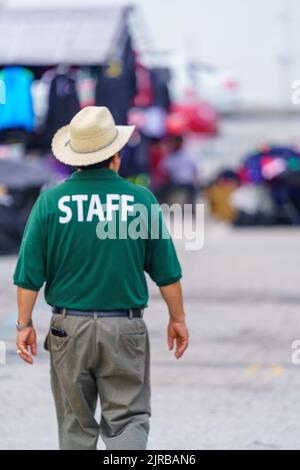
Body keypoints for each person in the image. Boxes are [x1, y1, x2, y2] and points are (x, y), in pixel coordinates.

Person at [13, 106, 189, 450]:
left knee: (75, 427)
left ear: (74, 158)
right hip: (124, 328)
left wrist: (24, 325)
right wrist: (177, 319)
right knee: (128, 421)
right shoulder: (141, 200)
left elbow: (28, 275)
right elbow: (167, 272)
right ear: (116, 156)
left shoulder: (51, 202)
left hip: (68, 329)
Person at [163, 135, 198, 212]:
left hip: (188, 184)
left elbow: (195, 169)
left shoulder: (189, 155)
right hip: (175, 184)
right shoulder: (170, 156)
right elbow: (165, 169)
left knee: (188, 207)